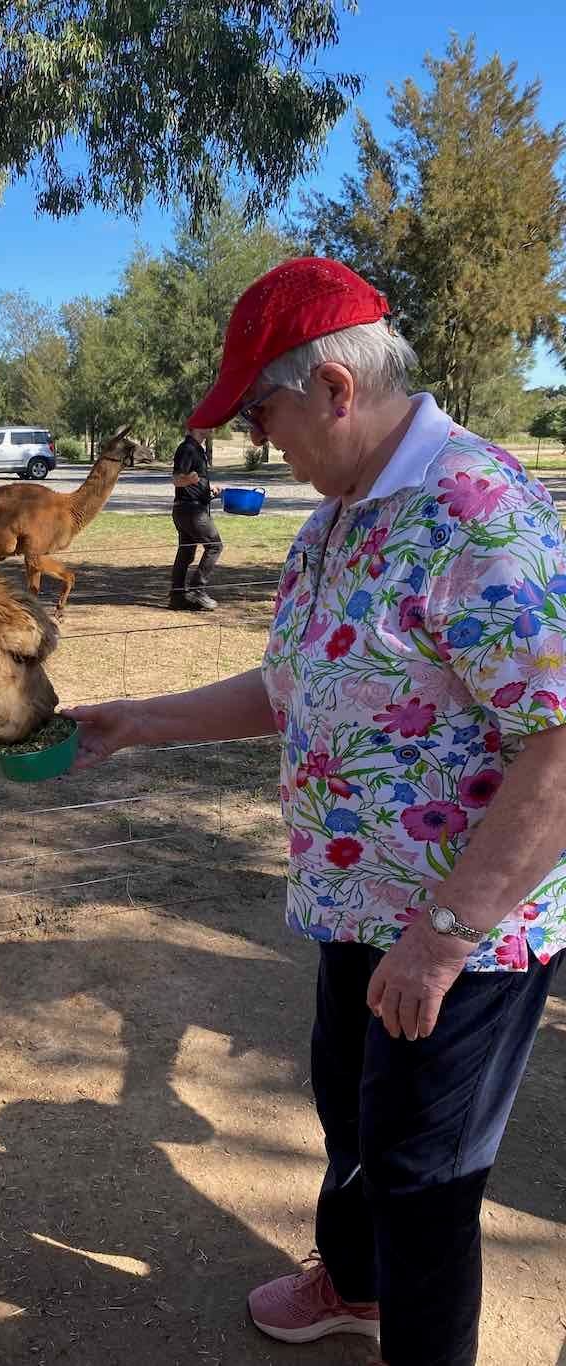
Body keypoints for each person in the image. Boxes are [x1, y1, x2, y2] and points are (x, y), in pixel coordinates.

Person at [65, 257, 566, 1366]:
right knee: (350, 1108)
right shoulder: (334, 521)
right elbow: (296, 686)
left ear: (336, 388)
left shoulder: (476, 516)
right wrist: (137, 721)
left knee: (424, 1168)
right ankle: (357, 1287)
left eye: (264, 412)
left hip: (463, 929)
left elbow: (562, 739)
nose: (256, 440)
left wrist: (441, 940)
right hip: (355, 899)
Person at [169, 425, 222, 610]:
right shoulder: (187, 448)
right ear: (195, 427)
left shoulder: (197, 448)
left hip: (185, 510)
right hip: (192, 511)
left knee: (186, 552)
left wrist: (209, 489)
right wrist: (189, 481)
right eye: (207, 423)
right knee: (215, 545)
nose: (212, 426)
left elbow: (195, 478)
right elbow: (177, 479)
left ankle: (177, 597)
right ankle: (198, 589)